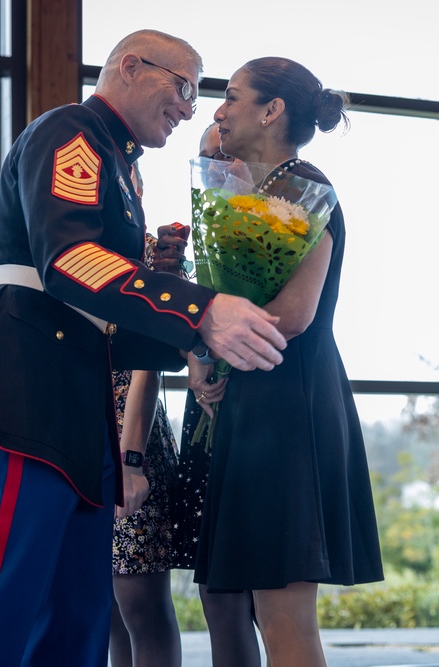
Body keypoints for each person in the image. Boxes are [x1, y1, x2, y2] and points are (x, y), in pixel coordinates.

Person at [0, 29, 287, 667]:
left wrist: (164, 283)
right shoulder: (73, 132)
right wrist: (198, 309)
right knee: (5, 590)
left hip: (79, 396)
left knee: (78, 610)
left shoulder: (120, 164)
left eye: (196, 96)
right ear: (128, 66)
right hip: (25, 387)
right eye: (182, 86)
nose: (188, 107)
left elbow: (106, 304)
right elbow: (67, 259)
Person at [189, 57, 384, 667]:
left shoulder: (304, 189)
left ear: (272, 111)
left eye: (233, 97)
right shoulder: (251, 191)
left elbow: (294, 314)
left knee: (282, 611)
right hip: (247, 402)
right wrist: (202, 352)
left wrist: (214, 338)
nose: (218, 110)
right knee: (226, 598)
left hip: (290, 406)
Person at [170, 123, 262, 667]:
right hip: (206, 405)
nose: (214, 167)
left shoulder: (275, 224)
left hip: (256, 408)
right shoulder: (196, 233)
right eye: (205, 158)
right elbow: (183, 317)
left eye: (224, 156)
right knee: (215, 586)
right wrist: (199, 365)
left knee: (258, 588)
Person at [108, 164, 185, 667]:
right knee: (106, 606)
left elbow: (147, 366)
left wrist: (130, 457)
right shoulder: (73, 257)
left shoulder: (154, 262)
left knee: (140, 603)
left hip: (129, 435)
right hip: (80, 432)